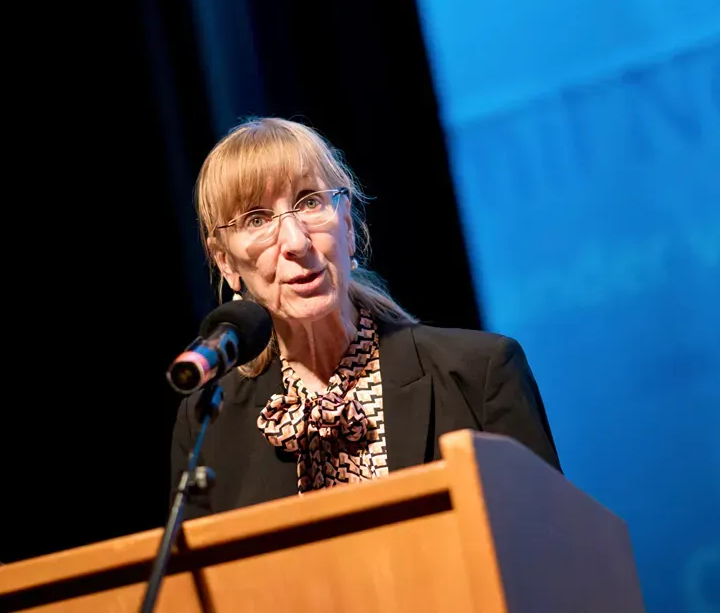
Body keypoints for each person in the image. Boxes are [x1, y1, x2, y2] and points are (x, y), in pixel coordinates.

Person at [170, 117, 560, 519]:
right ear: (225, 261)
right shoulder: (208, 429)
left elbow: (548, 550)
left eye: (309, 202)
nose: (296, 242)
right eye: (257, 219)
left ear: (348, 225)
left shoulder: (480, 374)